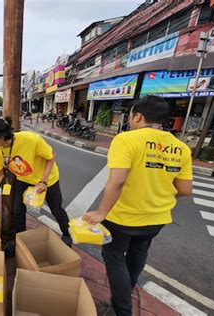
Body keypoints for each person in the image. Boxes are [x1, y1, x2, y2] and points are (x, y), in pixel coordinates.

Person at [83, 96, 193, 316]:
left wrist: (101, 212)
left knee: (114, 259)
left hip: (123, 218)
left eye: (131, 115)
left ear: (138, 116)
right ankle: (123, 297)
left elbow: (118, 180)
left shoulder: (126, 140)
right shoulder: (181, 148)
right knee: (137, 255)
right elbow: (185, 189)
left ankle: (121, 310)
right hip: (157, 219)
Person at [0, 117, 72, 244]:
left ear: (0, 138)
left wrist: (43, 181)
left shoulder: (31, 140)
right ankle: (22, 237)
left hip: (47, 179)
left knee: (56, 209)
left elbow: (51, 156)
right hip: (22, 178)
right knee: (17, 209)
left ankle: (66, 233)